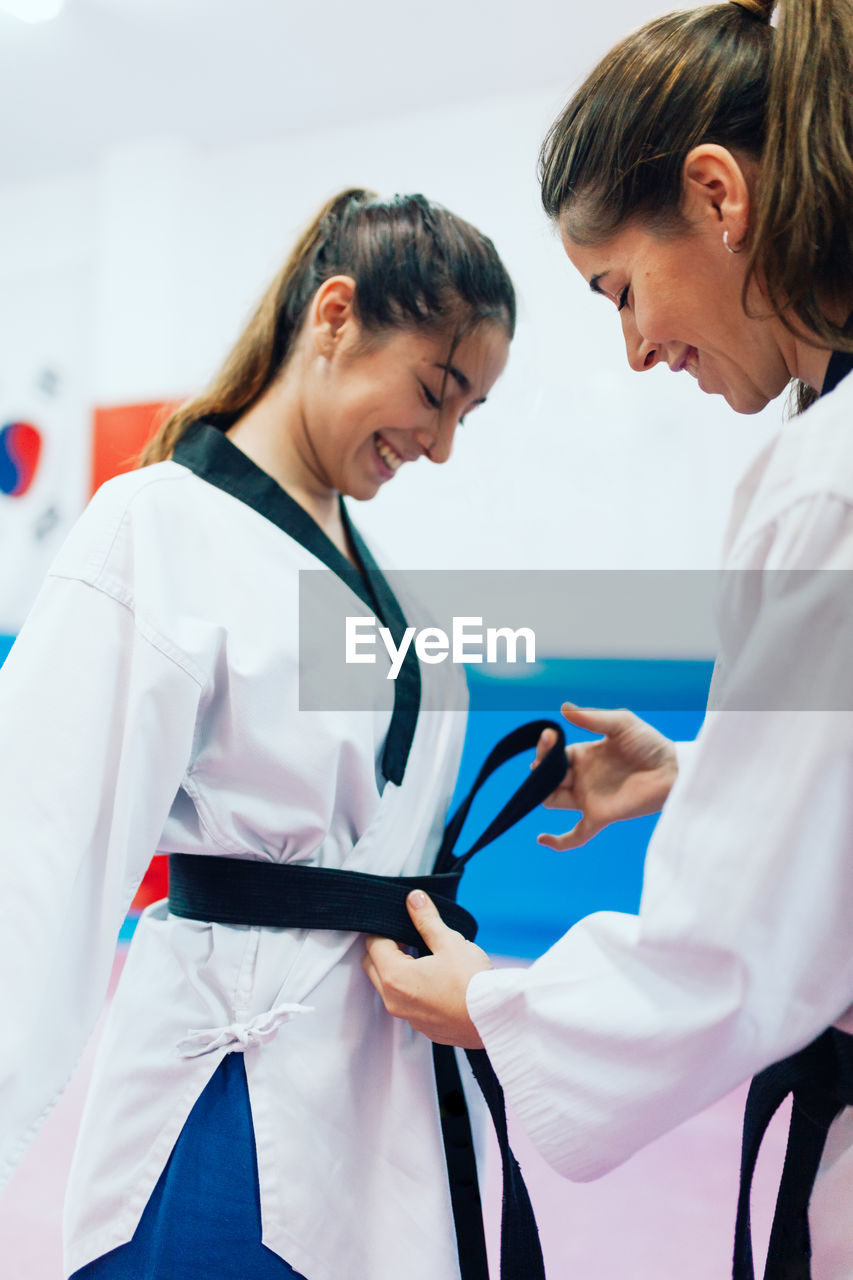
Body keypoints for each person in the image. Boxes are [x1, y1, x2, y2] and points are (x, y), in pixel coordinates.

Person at [364, 2, 853, 1274]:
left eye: (619, 288)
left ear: (717, 194)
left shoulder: (827, 483)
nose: (635, 349)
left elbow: (736, 958)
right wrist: (712, 770)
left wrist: (495, 1002)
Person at [0, 187, 514, 1280]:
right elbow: (33, 855)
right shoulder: (155, 524)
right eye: (436, 392)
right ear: (334, 315)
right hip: (229, 1073)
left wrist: (556, 777)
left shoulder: (388, 593)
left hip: (380, 1073)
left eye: (469, 414)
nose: (441, 445)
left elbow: (365, 786)